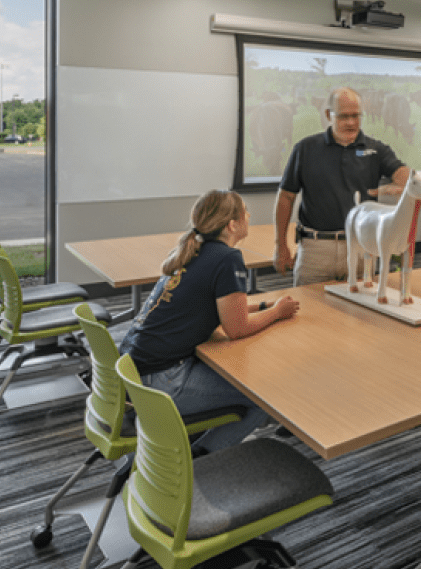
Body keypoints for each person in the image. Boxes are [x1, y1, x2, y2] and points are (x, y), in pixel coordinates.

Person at [119, 190, 297, 452]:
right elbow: (236, 329)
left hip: (134, 371)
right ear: (232, 225)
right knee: (265, 397)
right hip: (162, 381)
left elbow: (212, 305)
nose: (249, 215)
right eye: (245, 211)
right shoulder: (227, 258)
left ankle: (194, 444)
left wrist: (261, 305)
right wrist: (277, 312)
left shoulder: (194, 251)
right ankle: (202, 458)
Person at [274, 87, 411, 286]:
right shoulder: (305, 149)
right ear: (329, 115)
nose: (351, 122)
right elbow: (286, 197)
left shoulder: (376, 149)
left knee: (361, 313)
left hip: (362, 247)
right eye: (344, 116)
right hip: (316, 250)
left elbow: (402, 173)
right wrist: (281, 245)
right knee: (307, 310)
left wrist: (404, 183)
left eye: (356, 116)